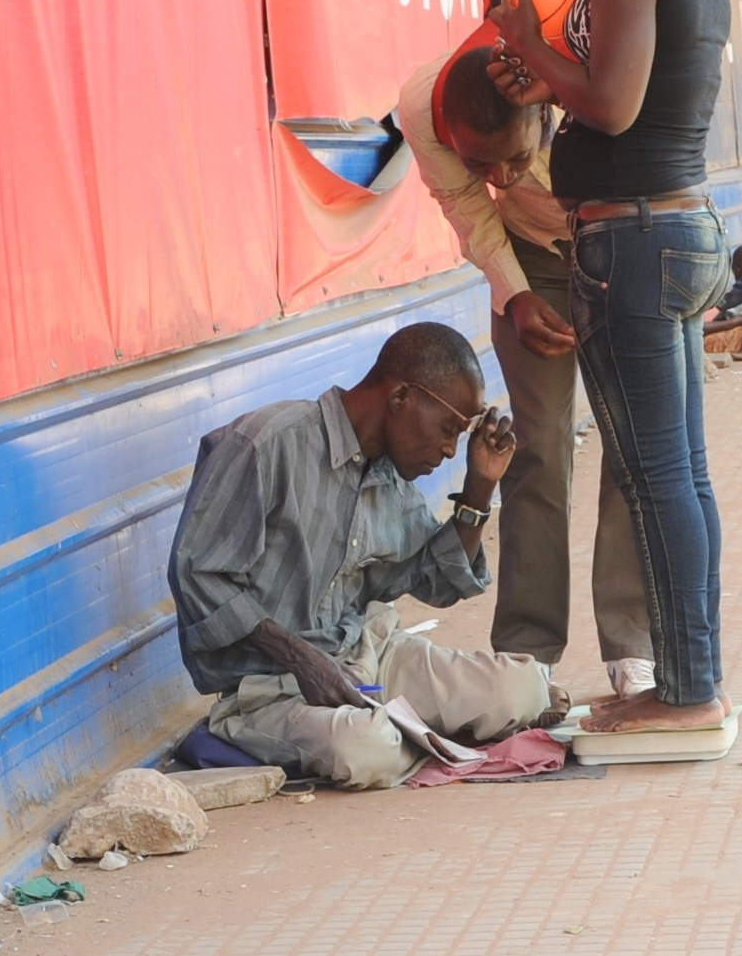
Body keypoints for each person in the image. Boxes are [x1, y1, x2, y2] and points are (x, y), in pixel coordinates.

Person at [488, 0, 736, 734]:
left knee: (658, 473)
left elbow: (612, 103)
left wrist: (528, 40)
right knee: (681, 473)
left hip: (631, 242)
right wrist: (550, 66)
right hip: (674, 230)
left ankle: (686, 691)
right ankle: (691, 678)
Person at [166, 324, 558, 789]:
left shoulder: (391, 478)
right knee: (369, 752)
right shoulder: (265, 444)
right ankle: (390, 731)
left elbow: (437, 582)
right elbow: (197, 572)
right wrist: (301, 657)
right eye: (449, 428)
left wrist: (480, 487)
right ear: (400, 397)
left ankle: (402, 728)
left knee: (523, 688)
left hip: (370, 656)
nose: (451, 449)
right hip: (268, 687)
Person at [400, 37, 655, 699]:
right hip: (526, 255)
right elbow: (469, 208)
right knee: (536, 448)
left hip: (622, 237)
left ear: (547, 109)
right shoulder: (423, 110)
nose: (504, 178)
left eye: (516, 158)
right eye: (484, 163)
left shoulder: (595, 75)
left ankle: (632, 644)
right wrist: (515, 294)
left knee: (630, 438)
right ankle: (526, 650)